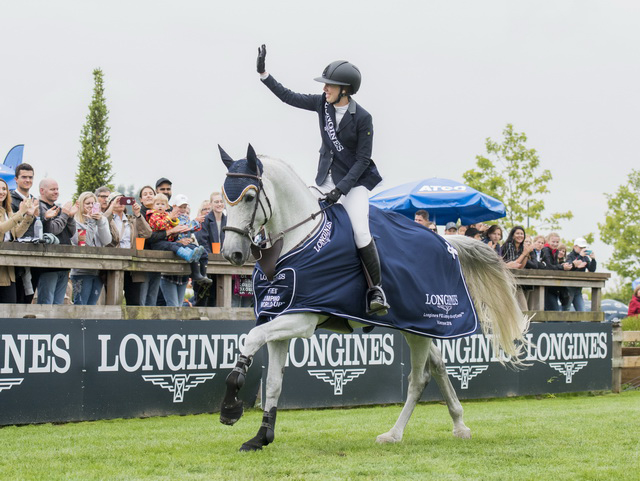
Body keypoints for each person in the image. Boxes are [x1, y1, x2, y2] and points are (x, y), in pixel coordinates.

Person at [257, 45, 388, 315]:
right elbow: (288, 97)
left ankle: (376, 290)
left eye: (330, 85)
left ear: (345, 90)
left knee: (360, 231)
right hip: (324, 179)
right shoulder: (322, 104)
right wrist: (264, 74)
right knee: (296, 214)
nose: (325, 89)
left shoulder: (363, 118)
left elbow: (363, 160)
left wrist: (341, 189)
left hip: (353, 184)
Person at [146, 193, 210, 306]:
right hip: (163, 252)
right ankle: (189, 256)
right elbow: (159, 226)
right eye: (157, 204)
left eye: (162, 204)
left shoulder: (169, 216)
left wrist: (191, 223)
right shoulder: (154, 215)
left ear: (166, 206)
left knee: (179, 305)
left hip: (180, 267)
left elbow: (178, 227)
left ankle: (200, 272)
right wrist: (172, 220)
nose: (160, 206)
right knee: (173, 305)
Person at [104, 192, 152, 305]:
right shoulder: (107, 219)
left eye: (123, 200)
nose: (120, 202)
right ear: (110, 203)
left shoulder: (132, 220)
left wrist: (138, 215)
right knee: (112, 301)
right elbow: (101, 224)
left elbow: (147, 233)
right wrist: (111, 207)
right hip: (113, 264)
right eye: (117, 200)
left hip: (132, 265)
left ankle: (132, 318)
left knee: (134, 302)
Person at [38, 178, 78, 305]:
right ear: (42, 191)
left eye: (57, 189)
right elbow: (52, 230)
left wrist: (70, 217)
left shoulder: (59, 209)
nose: (56, 192)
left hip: (63, 264)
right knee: (46, 304)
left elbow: (71, 232)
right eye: (52, 189)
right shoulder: (40, 207)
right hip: (48, 265)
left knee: (58, 305)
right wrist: (65, 214)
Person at [70, 192, 112, 305]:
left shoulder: (101, 219)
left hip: (98, 269)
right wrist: (91, 223)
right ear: (81, 204)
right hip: (81, 270)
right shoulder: (75, 222)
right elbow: (85, 242)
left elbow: (107, 241)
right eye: (87, 203)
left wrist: (101, 222)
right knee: (80, 304)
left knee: (92, 306)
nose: (90, 206)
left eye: (93, 203)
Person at [0, 178, 37, 303]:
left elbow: (16, 233)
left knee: (10, 306)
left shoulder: (8, 211)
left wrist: (28, 216)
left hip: (8, 269)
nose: (2, 192)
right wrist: (21, 212)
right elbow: (2, 228)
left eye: (4, 189)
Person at [10, 163, 40, 303]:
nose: (28, 180)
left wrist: (43, 218)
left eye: (30, 177)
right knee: (16, 299)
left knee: (28, 298)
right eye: (24, 177)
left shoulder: (35, 201)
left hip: (34, 252)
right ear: (16, 179)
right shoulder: (9, 200)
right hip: (15, 254)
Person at [195, 191, 227, 306]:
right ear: (211, 204)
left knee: (221, 296)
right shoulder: (205, 220)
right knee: (206, 296)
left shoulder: (228, 220)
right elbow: (202, 240)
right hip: (208, 261)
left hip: (224, 261)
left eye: (221, 201)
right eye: (216, 202)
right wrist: (211, 257)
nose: (219, 204)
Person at [501, 225, 532, 310]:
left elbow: (521, 266)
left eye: (522, 234)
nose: (520, 235)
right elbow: (514, 264)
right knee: (511, 308)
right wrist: (524, 253)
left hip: (516, 282)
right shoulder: (508, 245)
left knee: (524, 308)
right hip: (506, 280)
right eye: (517, 233)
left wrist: (526, 254)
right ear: (513, 235)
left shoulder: (522, 247)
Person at [563, 237, 596, 312]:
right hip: (568, 288)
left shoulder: (585, 258)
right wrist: (580, 257)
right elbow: (569, 268)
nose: (582, 249)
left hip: (578, 289)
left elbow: (592, 269)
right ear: (574, 247)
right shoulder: (569, 256)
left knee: (582, 311)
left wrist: (593, 259)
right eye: (581, 248)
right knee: (565, 310)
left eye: (584, 248)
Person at [541, 232, 572, 311]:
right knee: (553, 310)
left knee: (552, 310)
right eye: (553, 241)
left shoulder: (554, 251)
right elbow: (549, 266)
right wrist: (562, 267)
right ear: (548, 241)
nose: (555, 244)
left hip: (552, 286)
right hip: (546, 286)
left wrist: (562, 265)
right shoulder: (545, 250)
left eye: (557, 242)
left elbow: (554, 265)